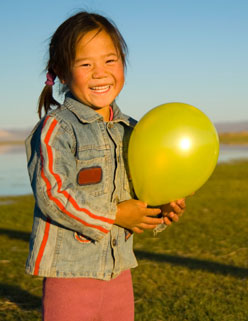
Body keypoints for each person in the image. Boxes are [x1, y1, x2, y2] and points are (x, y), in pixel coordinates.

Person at [25, 11, 185, 321]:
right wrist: (115, 214)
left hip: (119, 267)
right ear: (61, 71)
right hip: (69, 271)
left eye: (110, 61)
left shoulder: (134, 131)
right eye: (86, 64)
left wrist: (161, 208)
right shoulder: (56, 129)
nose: (100, 73)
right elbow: (53, 194)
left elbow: (142, 188)